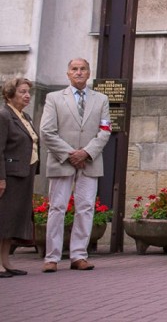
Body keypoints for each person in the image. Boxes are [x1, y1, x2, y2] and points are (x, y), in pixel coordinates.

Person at [40, 58, 111, 272]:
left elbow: (105, 130)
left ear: (89, 73)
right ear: (68, 73)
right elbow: (46, 131)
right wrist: (70, 154)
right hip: (63, 161)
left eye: (83, 69)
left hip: (90, 161)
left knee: (86, 208)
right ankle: (51, 257)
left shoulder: (101, 99)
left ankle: (79, 255)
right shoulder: (54, 98)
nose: (79, 72)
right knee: (57, 208)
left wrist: (86, 153)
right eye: (74, 69)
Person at [0, 77, 38, 277]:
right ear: (9, 94)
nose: (27, 95)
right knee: (3, 219)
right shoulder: (4, 115)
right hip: (9, 175)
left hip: (24, 174)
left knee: (12, 221)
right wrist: (1, 178)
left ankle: (6, 261)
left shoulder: (25, 117)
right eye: (22, 91)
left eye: (28, 92)